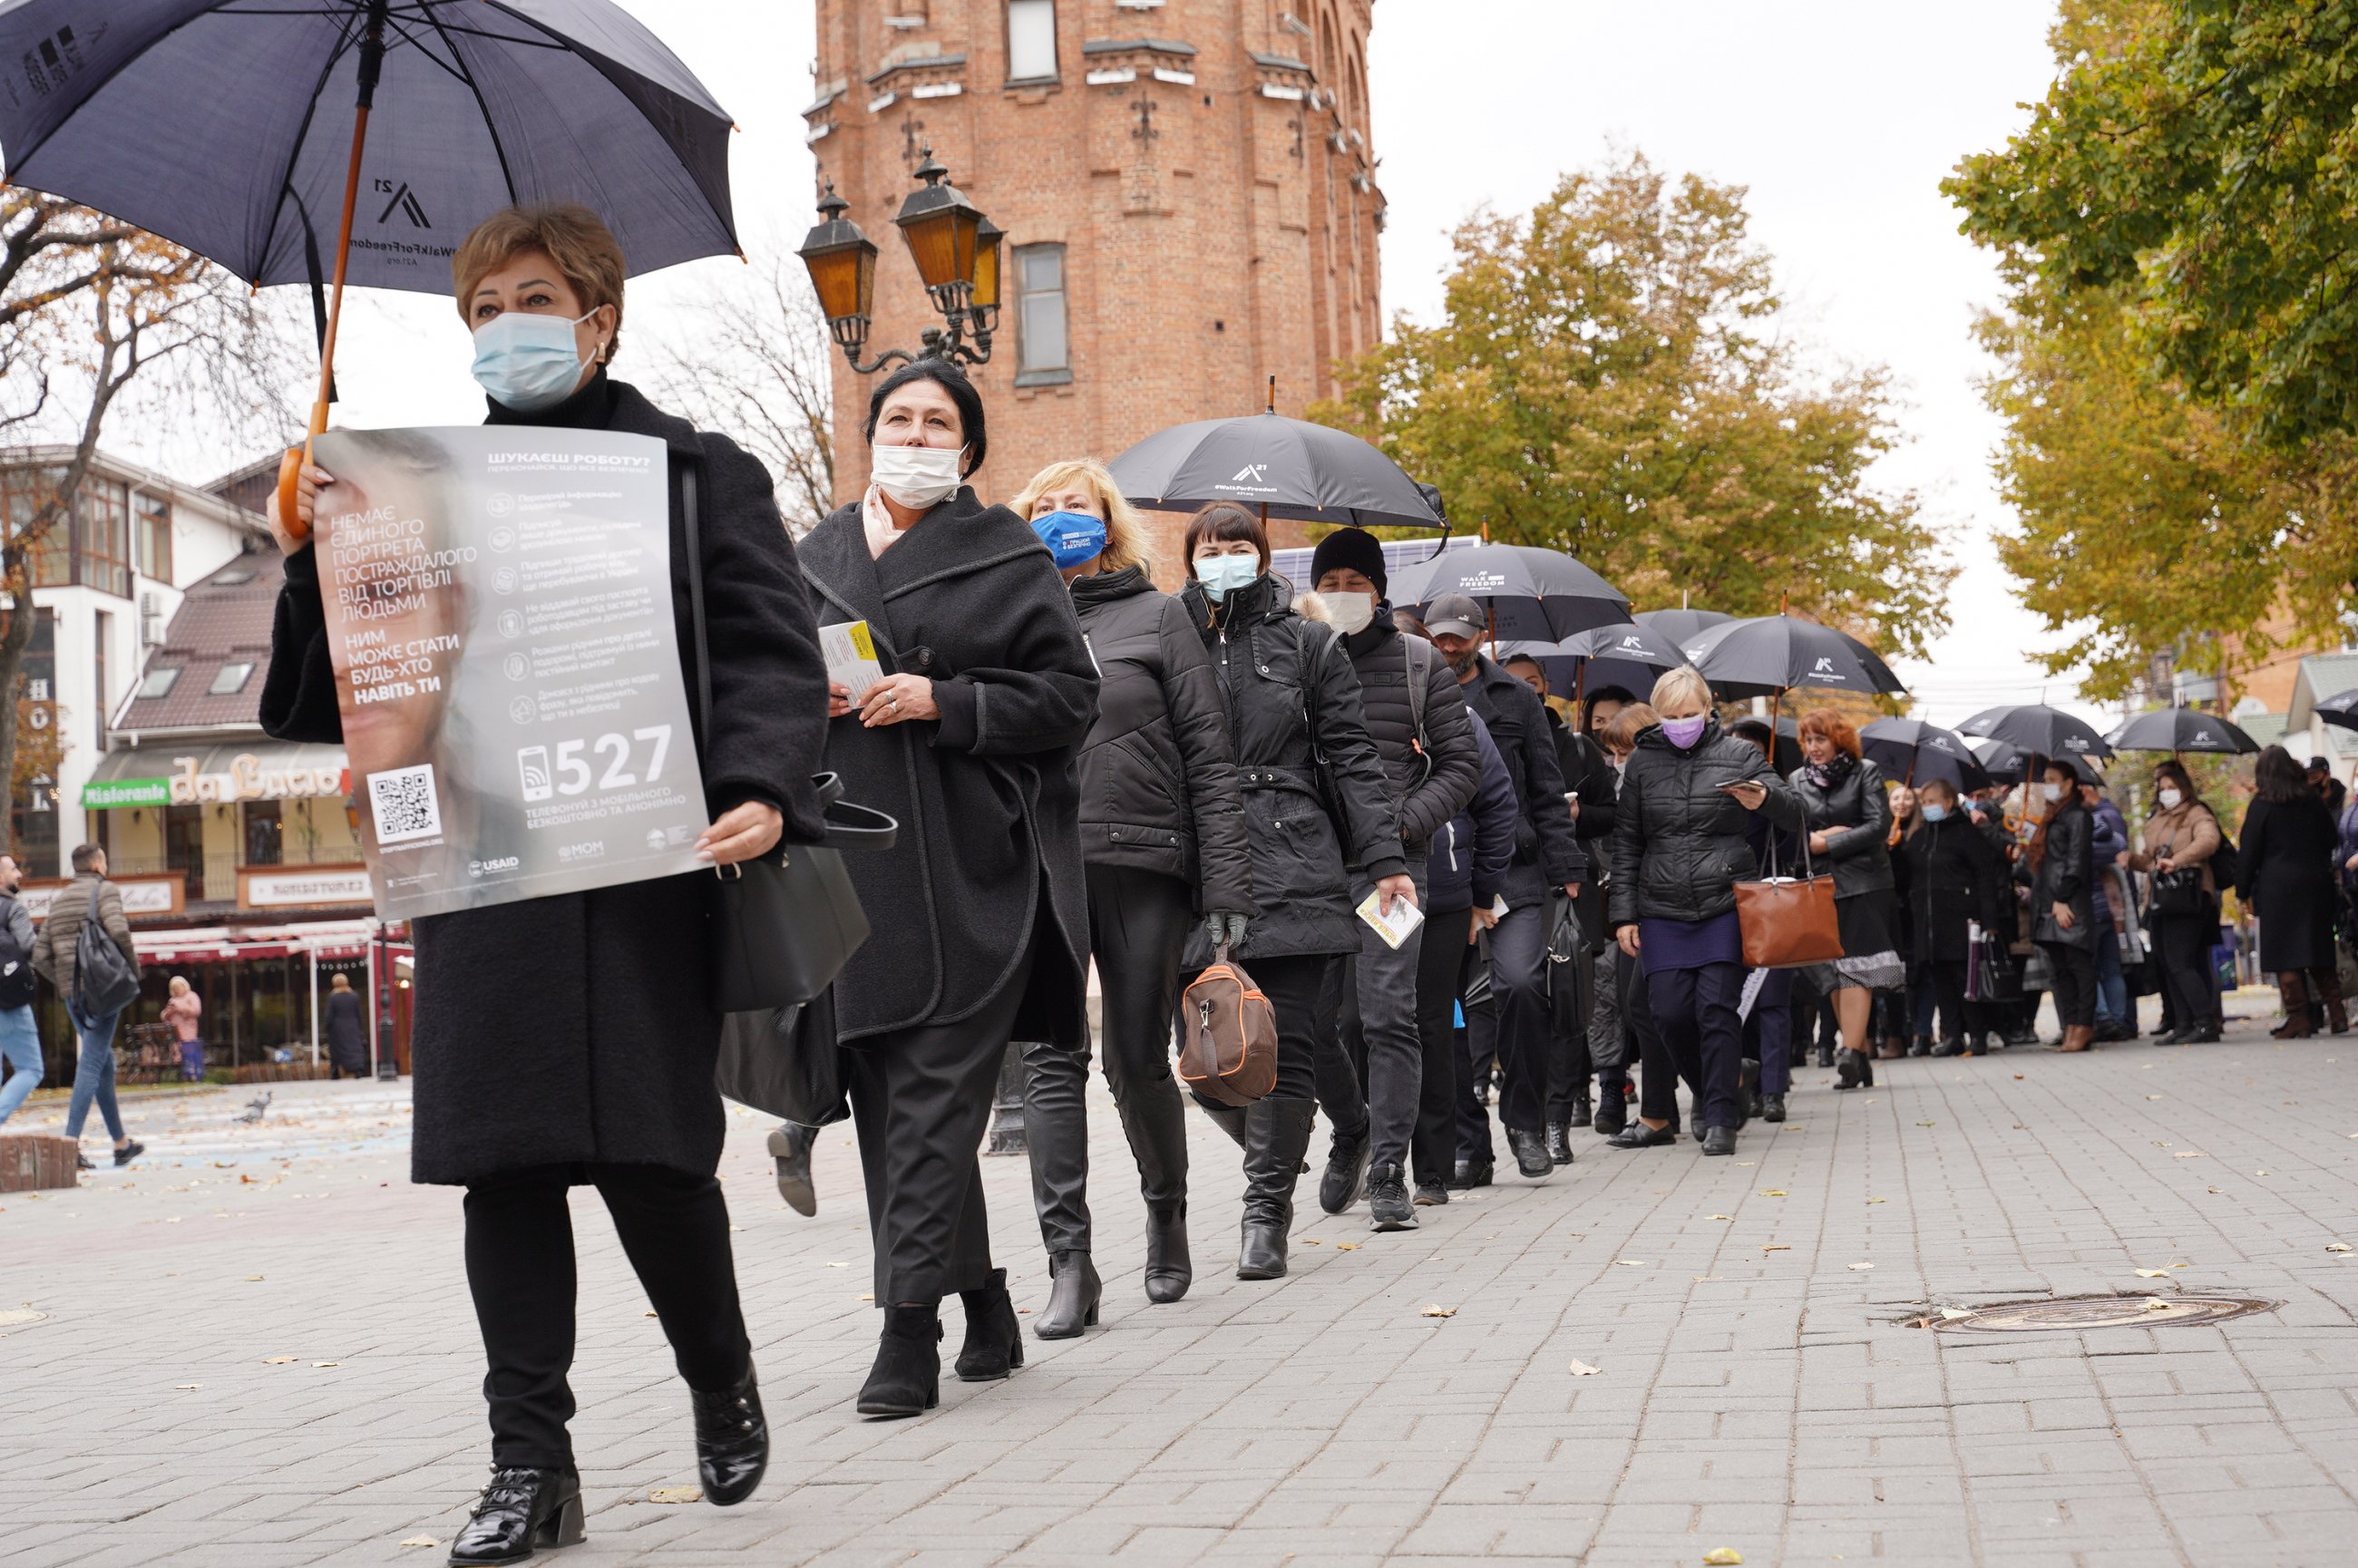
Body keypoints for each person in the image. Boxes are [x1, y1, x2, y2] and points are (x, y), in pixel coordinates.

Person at [268, 203, 822, 1548]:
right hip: (486, 874)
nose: (501, 327)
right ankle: (531, 1467)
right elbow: (316, 699)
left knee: (656, 1160)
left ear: (597, 315)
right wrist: (307, 554)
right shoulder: (413, 488)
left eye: (528, 298)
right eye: (480, 308)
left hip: (643, 867)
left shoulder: (699, 475)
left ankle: (719, 1375)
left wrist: (762, 788)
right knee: (503, 1169)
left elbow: (767, 654)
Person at [796, 359, 1097, 1415]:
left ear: (966, 449)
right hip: (855, 872)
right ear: (869, 433)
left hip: (975, 869)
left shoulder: (1004, 552)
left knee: (929, 1097)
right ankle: (984, 1301)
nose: (914, 435)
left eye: (936, 422)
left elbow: (1070, 698)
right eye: (897, 418)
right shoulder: (817, 554)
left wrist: (946, 699)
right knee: (892, 1109)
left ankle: (904, 1331)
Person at [1007, 457, 1251, 1329]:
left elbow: (1211, 760)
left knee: (1136, 1057)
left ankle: (1167, 1216)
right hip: (1038, 861)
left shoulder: (1160, 617)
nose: (1059, 517)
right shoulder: (1006, 618)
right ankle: (1069, 1262)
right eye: (1043, 507)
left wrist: (1223, 885)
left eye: (1076, 505)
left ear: (1108, 523)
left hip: (1142, 860)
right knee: (1048, 1056)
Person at [1177, 502, 1408, 1276]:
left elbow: (1352, 757)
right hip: (1196, 855)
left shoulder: (1310, 642)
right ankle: (1331, 1126)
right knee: (1202, 1049)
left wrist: (1384, 859)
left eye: (1240, 545)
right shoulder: (1166, 634)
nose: (1225, 556)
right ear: (1190, 556)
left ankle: (1264, 1211)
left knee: (1293, 1040)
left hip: (1292, 846)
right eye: (1212, 547)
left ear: (1266, 555)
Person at [1306, 529, 1480, 1230]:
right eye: (1331, 581)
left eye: (1356, 580)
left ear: (1379, 589)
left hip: (1395, 876)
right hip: (1310, 867)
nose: (1343, 594)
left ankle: (1387, 1167)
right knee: (1321, 1021)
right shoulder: (1296, 654)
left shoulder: (1416, 663)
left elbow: (1460, 767)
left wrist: (1404, 825)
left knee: (1387, 1015)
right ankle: (1351, 1127)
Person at [1423, 593, 1587, 1180]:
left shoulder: (1516, 699)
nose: (1448, 645)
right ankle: (1471, 1140)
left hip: (1512, 871)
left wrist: (1566, 868)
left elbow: (1547, 790)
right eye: (1438, 635)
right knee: (1441, 1009)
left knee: (1519, 984)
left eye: (1458, 636)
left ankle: (1524, 1120)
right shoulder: (1409, 689)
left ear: (1480, 634)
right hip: (1439, 872)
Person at [1605, 669, 1800, 1155]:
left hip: (1724, 903)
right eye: (1671, 717)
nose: (1681, 724)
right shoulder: (1644, 762)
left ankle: (1720, 1118)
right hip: (1661, 906)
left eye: (1690, 714)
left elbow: (1797, 811)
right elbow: (1627, 841)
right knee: (1668, 1013)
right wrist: (1624, 914)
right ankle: (1726, 1083)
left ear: (1709, 708)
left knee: (1716, 1010)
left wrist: (1766, 798)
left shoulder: (1739, 754)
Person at [1413, 687, 1518, 1205]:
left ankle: (1462, 1148)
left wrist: (1482, 891)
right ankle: (1372, 1141)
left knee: (1442, 1025)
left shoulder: (1462, 715)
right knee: (1364, 1027)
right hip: (1363, 896)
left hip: (1446, 898)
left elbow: (1499, 802)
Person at [1504, 653, 1610, 1157]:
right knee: (1520, 999)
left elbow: (1609, 815)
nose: (1526, 688)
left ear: (1547, 687)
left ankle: (1557, 1118)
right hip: (1511, 880)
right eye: (1514, 680)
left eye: (1533, 681)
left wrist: (1576, 812)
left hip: (1569, 883)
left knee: (1566, 999)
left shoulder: (1578, 747)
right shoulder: (1486, 729)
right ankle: (1518, 1105)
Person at [1787, 711, 1905, 1087]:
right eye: (1808, 740)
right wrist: (1817, 840)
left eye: (1820, 739)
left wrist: (1829, 841)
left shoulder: (1864, 771)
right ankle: (1857, 1054)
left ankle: (1852, 1053)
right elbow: (1793, 831)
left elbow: (1878, 826)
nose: (1813, 747)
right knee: (1833, 973)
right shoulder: (1795, 779)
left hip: (1865, 884)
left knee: (1858, 968)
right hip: (1818, 885)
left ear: (1838, 739)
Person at [30, 844, 144, 1170]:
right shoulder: (104, 889)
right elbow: (119, 930)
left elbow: (40, 956)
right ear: (96, 864)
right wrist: (133, 972)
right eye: (105, 859)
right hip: (103, 991)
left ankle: (121, 1144)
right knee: (93, 1063)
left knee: (103, 1061)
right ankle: (70, 1145)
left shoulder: (60, 899)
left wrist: (65, 982)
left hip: (74, 997)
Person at [2236, 745, 2347, 1037]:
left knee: (2285, 955)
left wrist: (2242, 890)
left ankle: (2299, 1018)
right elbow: (2330, 838)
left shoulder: (2261, 805)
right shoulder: (2311, 800)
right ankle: (2337, 1014)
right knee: (2318, 948)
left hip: (2277, 888)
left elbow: (2249, 852)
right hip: (2315, 883)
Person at [1895, 778, 2012, 1056]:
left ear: (1948, 802)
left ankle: (1978, 1033)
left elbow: (1985, 876)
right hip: (1928, 920)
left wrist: (1989, 920)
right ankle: (1953, 1035)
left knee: (1965, 978)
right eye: (1923, 803)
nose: (1926, 807)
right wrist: (1894, 850)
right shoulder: (1920, 836)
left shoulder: (1965, 833)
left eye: (1931, 801)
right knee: (1940, 978)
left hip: (1962, 918)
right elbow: (1905, 874)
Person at [2020, 759, 2099, 1053]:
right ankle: (2070, 1025)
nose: (2047, 784)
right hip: (2047, 901)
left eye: (2052, 779)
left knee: (2079, 966)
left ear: (2068, 784)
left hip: (2067, 901)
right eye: (2045, 779)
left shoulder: (2078, 816)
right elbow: (2045, 863)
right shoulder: (2051, 817)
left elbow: (2077, 862)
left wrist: (2062, 899)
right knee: (2060, 969)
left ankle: (2084, 1025)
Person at [2080, 774, 2136, 1041]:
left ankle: (2104, 1018)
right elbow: (2119, 847)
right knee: (2112, 968)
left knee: (2090, 967)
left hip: (2088, 910)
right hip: (2107, 910)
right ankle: (2118, 1019)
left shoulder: (2083, 829)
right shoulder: (2107, 829)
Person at [0, 854, 42, 1129]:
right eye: (13, 869)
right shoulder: (12, 909)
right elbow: (30, 946)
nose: (19, 874)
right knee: (31, 1068)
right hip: (9, 1001)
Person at [324, 973, 368, 1078]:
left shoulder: (333, 998)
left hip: (337, 1027)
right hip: (353, 1025)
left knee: (338, 1049)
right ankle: (358, 1067)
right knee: (354, 1047)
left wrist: (327, 1027)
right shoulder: (354, 996)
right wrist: (361, 1027)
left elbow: (329, 1015)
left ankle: (336, 1070)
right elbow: (358, 1013)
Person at [161, 978, 204, 1082]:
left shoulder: (192, 996)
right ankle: (181, 1075)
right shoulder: (172, 1000)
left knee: (188, 1052)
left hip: (188, 1029)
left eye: (178, 987)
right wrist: (169, 1012)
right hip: (174, 1031)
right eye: (174, 988)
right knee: (176, 1052)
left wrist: (180, 1009)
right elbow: (163, 1016)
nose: (177, 989)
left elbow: (196, 1011)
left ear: (184, 985)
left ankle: (192, 1075)